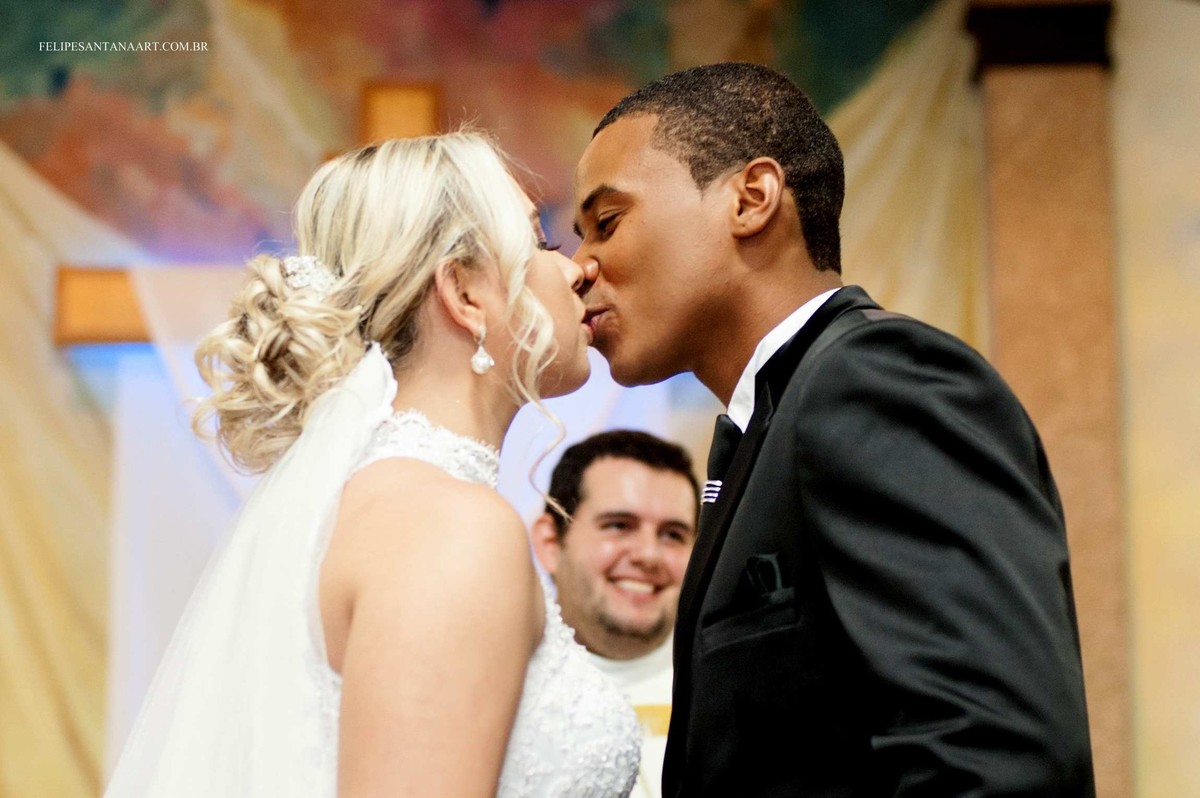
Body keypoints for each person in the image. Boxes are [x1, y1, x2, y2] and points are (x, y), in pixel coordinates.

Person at [572, 62, 1095, 796]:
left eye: (606, 222)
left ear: (751, 199)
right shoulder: (765, 426)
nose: (578, 269)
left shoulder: (879, 380)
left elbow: (994, 760)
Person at [105, 132, 641, 797]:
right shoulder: (447, 527)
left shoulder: (379, 501)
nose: (575, 270)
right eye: (541, 243)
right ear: (467, 295)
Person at [530, 430, 699, 798]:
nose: (648, 555)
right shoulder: (502, 686)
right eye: (619, 526)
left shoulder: (734, 685)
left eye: (672, 535)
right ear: (550, 543)